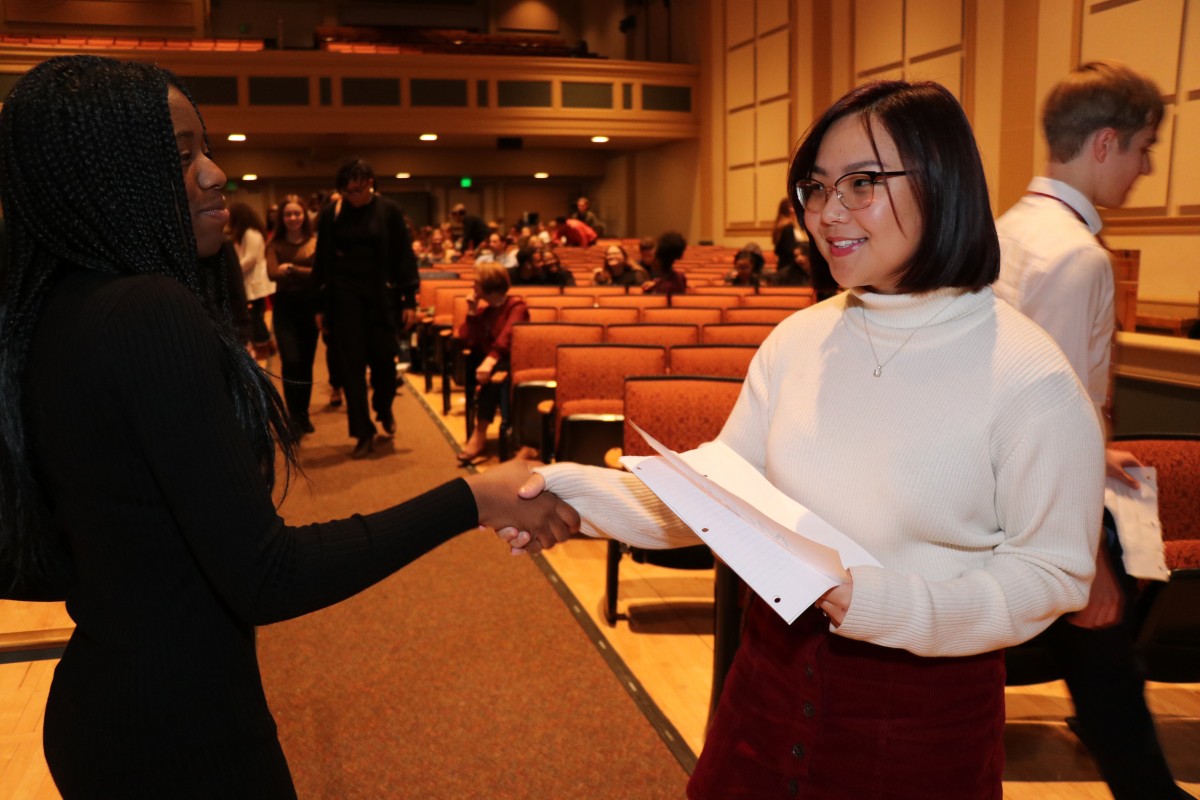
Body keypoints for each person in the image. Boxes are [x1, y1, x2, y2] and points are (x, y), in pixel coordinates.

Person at [0, 55, 579, 798]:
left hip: (115, 704)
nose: (215, 176)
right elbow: (267, 575)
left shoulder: (55, 309)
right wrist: (474, 499)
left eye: (207, 150)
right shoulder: (145, 312)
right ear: (105, 175)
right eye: (180, 157)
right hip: (179, 732)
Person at [506, 80, 1104, 798]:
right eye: (816, 188)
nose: (828, 214)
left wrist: (893, 605)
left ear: (943, 182)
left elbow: (1053, 574)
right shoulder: (800, 340)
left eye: (860, 184)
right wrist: (568, 494)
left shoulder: (1029, 374)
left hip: (919, 721)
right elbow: (716, 496)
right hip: (768, 683)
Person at [995, 61, 1187, 800]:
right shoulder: (1077, 256)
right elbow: (1062, 411)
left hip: (1009, 486)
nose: (1145, 168)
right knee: (1109, 672)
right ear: (1104, 143)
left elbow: (1017, 385)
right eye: (1143, 147)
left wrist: (1097, 452)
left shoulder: (1008, 230)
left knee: (1105, 683)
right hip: (1049, 501)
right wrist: (1090, 565)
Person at [312, 159, 419, 458]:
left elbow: (403, 256)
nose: (353, 197)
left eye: (358, 190)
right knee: (351, 369)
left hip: (381, 298)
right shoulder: (332, 213)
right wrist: (319, 305)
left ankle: (383, 408)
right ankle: (362, 432)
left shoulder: (390, 211)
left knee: (385, 365)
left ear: (370, 182)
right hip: (344, 299)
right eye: (347, 192)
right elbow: (322, 259)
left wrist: (409, 298)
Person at [456, 263, 530, 463]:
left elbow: (507, 338)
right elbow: (467, 339)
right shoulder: (486, 311)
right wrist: (471, 312)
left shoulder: (517, 307)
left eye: (476, 283)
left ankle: (479, 432)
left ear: (488, 286)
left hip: (514, 364)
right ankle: (480, 431)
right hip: (488, 365)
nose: (473, 286)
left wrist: (490, 359)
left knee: (497, 371)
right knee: (486, 367)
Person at [266, 194, 320, 438]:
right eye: (288, 214)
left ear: (304, 216)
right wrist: (301, 272)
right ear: (282, 218)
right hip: (285, 308)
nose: (293, 218)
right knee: (291, 362)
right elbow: (272, 274)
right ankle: (294, 417)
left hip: (309, 307)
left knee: (306, 364)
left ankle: (304, 414)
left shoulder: (314, 242)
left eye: (297, 213)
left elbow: (318, 275)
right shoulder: (274, 244)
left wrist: (291, 269)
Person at [229, 203, 276, 359]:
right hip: (253, 281)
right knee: (256, 315)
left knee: (255, 316)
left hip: (255, 281)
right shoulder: (249, 232)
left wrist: (233, 270)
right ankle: (266, 345)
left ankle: (264, 347)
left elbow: (250, 259)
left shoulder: (250, 233)